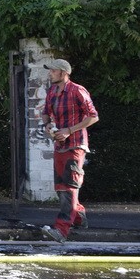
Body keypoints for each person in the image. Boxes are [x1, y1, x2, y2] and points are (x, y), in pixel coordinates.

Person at [40, 58, 99, 243]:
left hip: (75, 145)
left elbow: (93, 116)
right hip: (59, 145)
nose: (50, 73)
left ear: (64, 73)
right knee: (61, 187)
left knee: (69, 186)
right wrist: (49, 126)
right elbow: (45, 113)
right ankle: (79, 216)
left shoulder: (77, 90)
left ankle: (61, 230)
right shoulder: (52, 91)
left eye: (53, 71)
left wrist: (69, 130)